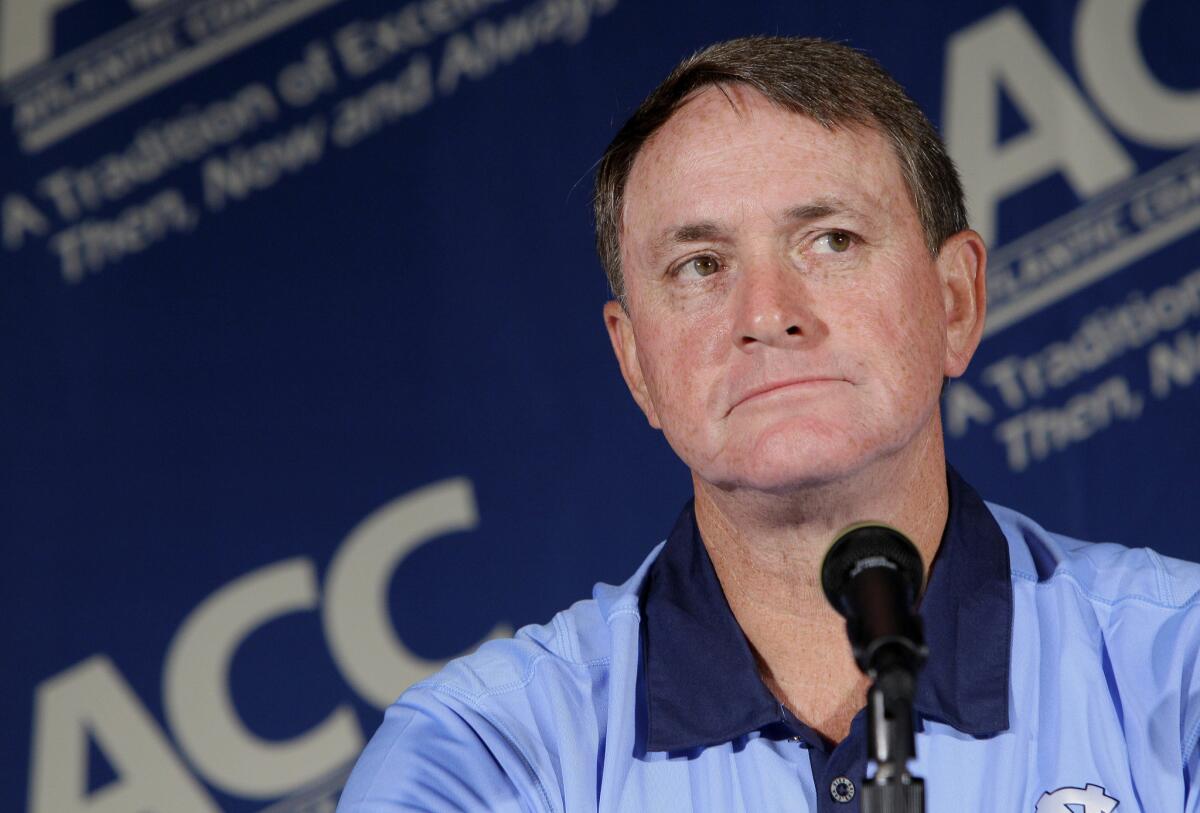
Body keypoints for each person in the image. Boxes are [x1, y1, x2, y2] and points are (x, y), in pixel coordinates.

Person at [336, 37, 1200, 812]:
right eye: (701, 264)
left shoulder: (1176, 667)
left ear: (955, 301)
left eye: (830, 241)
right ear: (636, 363)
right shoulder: (484, 758)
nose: (768, 313)